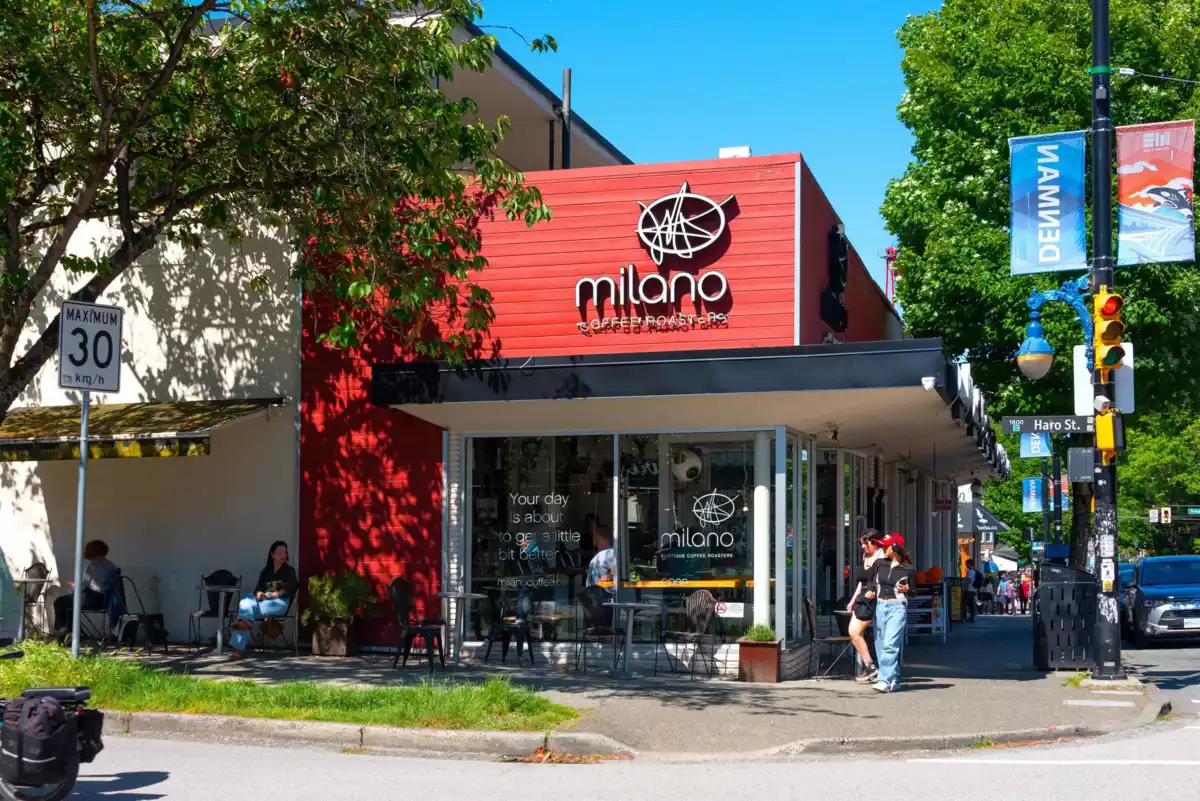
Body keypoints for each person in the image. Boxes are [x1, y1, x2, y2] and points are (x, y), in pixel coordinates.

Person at [228, 541, 298, 660]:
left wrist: (270, 595)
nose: (283, 555)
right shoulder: (265, 572)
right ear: (272, 555)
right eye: (280, 552)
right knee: (246, 600)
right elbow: (257, 590)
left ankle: (238, 649)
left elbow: (289, 591)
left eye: (285, 552)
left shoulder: (290, 571)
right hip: (262, 602)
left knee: (244, 608)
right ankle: (246, 623)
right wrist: (260, 594)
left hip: (280, 603)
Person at [863, 532, 914, 693]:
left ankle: (884, 680)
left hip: (897, 607)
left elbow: (915, 591)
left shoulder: (908, 569)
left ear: (896, 547)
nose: (883, 547)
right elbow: (871, 580)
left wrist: (909, 589)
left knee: (890, 644)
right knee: (880, 645)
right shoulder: (879, 563)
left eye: (886, 545)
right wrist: (870, 591)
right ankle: (895, 679)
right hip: (880, 606)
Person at [54, 539, 119, 637]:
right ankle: (72, 631)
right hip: (107, 600)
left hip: (93, 599)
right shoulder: (111, 565)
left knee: (60, 602)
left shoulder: (93, 566)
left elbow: (81, 587)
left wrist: (71, 585)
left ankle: (63, 630)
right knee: (70, 604)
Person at [847, 529, 885, 683]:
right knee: (854, 632)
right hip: (863, 598)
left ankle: (872, 668)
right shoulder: (866, 557)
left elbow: (881, 580)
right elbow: (862, 582)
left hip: (873, 599)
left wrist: (876, 593)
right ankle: (870, 667)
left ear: (873, 541)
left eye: (865, 543)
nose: (862, 547)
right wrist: (853, 598)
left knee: (856, 632)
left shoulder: (882, 557)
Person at [586, 523, 615, 588]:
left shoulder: (609, 552)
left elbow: (614, 573)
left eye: (594, 535)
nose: (592, 537)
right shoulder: (601, 553)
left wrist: (608, 577)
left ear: (598, 536)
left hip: (603, 594)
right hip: (595, 593)